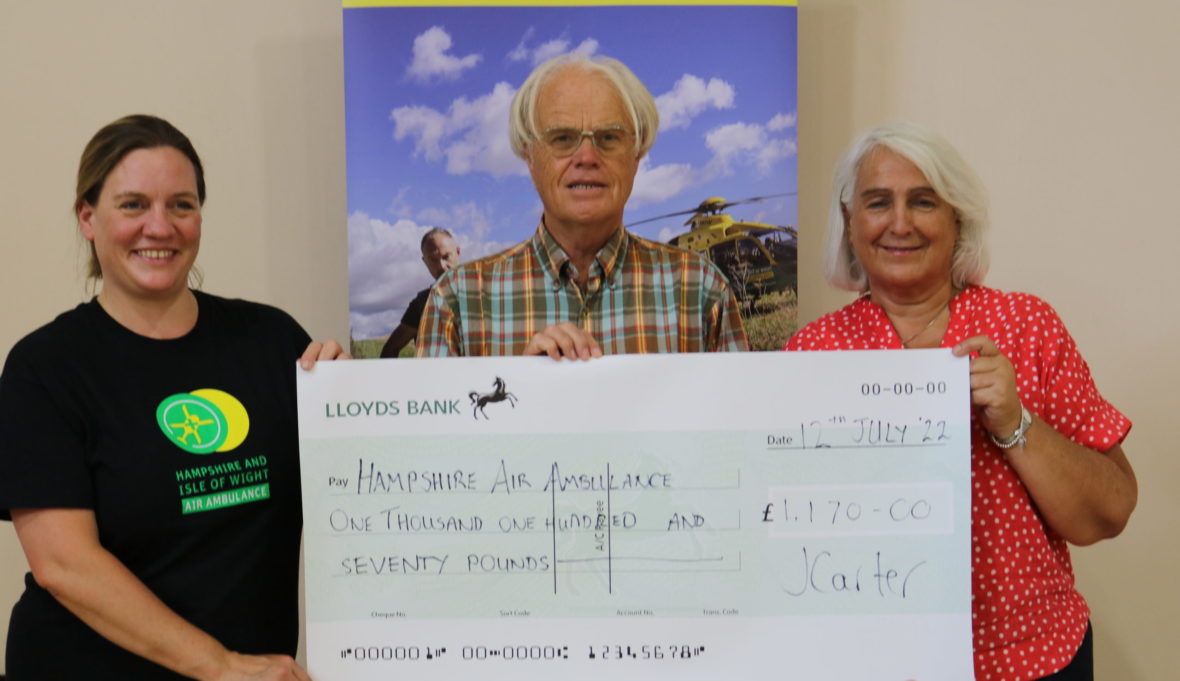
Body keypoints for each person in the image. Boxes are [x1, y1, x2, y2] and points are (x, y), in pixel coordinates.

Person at [785, 121, 1136, 681]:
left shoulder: (1027, 327)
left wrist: (1017, 423)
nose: (900, 223)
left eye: (923, 201)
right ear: (850, 224)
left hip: (1030, 661)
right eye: (878, 203)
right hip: (873, 664)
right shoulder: (811, 353)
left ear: (958, 220)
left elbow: (1111, 511)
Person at [0, 114, 345, 680]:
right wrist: (220, 666)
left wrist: (353, 402)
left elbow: (371, 490)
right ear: (89, 218)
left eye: (180, 205)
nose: (159, 227)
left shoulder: (272, 341)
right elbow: (65, 564)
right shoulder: (46, 367)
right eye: (133, 205)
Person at [415, 52, 748, 358]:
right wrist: (520, 390)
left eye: (609, 137)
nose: (586, 157)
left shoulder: (703, 289)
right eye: (562, 138)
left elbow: (744, 421)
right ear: (530, 157)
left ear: (637, 154)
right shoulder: (456, 301)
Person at [379, 227, 460, 358]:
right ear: (425, 262)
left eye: (446, 256)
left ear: (458, 252)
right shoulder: (422, 304)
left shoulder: (481, 294)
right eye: (433, 260)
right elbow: (392, 347)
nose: (441, 265)